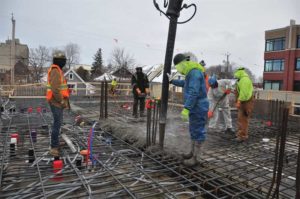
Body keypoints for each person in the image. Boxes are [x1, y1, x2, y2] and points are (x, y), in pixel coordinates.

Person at [169, 53, 209, 167]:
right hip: (195, 106)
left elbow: (193, 92)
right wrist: (172, 81)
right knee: (193, 129)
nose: (178, 69)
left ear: (182, 64)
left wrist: (186, 108)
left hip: (198, 106)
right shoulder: (190, 72)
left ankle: (197, 158)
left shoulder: (194, 72)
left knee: (198, 131)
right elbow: (185, 84)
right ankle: (192, 153)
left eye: (177, 67)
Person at [46, 50, 70, 157]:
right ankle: (54, 147)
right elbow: (55, 89)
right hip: (56, 102)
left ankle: (55, 142)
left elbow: (61, 87)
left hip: (57, 101)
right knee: (57, 123)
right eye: (63, 60)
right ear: (59, 61)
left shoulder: (58, 70)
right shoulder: (55, 70)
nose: (64, 62)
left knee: (58, 123)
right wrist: (61, 100)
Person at [234, 67, 254, 142]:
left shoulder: (244, 80)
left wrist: (239, 101)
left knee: (243, 119)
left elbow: (244, 93)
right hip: (244, 101)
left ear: (239, 73)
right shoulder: (241, 80)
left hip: (246, 102)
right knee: (240, 118)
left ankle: (243, 136)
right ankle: (240, 133)